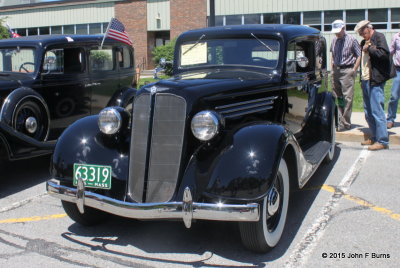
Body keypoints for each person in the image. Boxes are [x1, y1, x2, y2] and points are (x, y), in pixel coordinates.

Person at [355, 20, 392, 150]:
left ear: (368, 29)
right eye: (360, 33)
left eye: (362, 33)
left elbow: (384, 54)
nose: (361, 35)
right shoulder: (363, 42)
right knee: (368, 111)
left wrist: (369, 48)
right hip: (365, 79)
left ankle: (382, 141)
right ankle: (375, 137)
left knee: (377, 111)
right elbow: (363, 63)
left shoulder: (379, 37)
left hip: (375, 79)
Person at [330, 20, 361, 132]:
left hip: (347, 70)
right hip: (336, 70)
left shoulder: (352, 40)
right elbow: (332, 55)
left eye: (338, 32)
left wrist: (354, 69)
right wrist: (332, 68)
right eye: (335, 32)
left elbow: (359, 55)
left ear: (344, 28)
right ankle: (339, 119)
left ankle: (345, 123)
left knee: (347, 97)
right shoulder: (334, 40)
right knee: (338, 97)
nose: (337, 34)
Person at [386, 31, 400, 129]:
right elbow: (390, 52)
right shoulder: (396, 37)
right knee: (394, 96)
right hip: (398, 69)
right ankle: (390, 119)